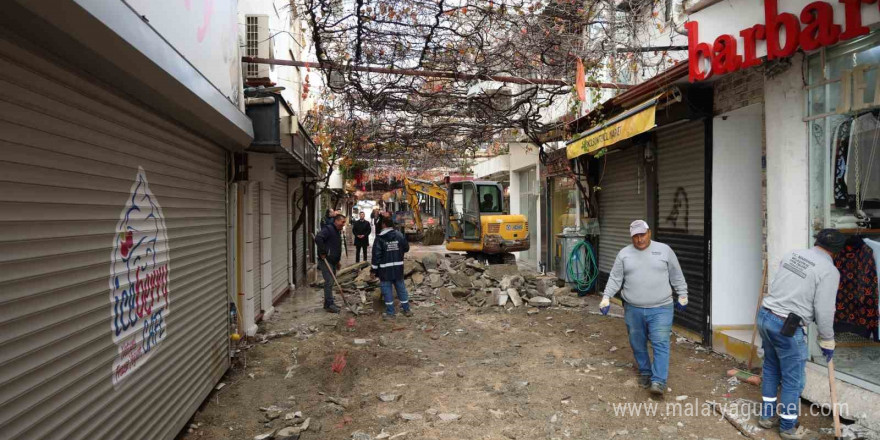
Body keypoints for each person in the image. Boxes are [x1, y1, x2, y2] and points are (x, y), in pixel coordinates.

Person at [756, 229, 844, 440]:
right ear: (837, 252)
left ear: (817, 241)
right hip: (787, 327)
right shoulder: (829, 271)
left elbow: (780, 286)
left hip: (765, 316)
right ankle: (788, 426)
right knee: (792, 379)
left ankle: (767, 417)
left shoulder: (793, 255)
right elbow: (824, 310)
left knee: (770, 367)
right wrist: (827, 339)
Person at [599, 219, 687, 396]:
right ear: (631, 237)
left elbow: (676, 274)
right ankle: (646, 372)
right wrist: (606, 297)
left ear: (649, 233)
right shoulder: (624, 254)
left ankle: (659, 381)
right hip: (633, 308)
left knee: (660, 342)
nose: (640, 239)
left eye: (643, 235)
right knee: (637, 343)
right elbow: (615, 278)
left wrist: (683, 294)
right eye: (636, 236)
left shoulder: (664, 250)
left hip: (661, 307)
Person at [371, 215, 412, 320]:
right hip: (398, 268)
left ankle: (390, 312)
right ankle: (407, 310)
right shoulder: (399, 235)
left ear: (384, 224)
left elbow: (376, 256)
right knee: (401, 288)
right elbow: (406, 248)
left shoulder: (380, 238)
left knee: (387, 290)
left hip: (385, 270)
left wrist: (373, 271)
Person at [315, 214, 347, 313]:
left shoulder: (337, 231)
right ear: (336, 221)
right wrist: (323, 253)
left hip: (333, 261)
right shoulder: (328, 229)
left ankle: (328, 303)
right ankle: (329, 305)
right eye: (342, 222)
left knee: (331, 282)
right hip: (326, 261)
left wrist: (337, 261)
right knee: (328, 282)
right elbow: (318, 238)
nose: (343, 224)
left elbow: (335, 247)